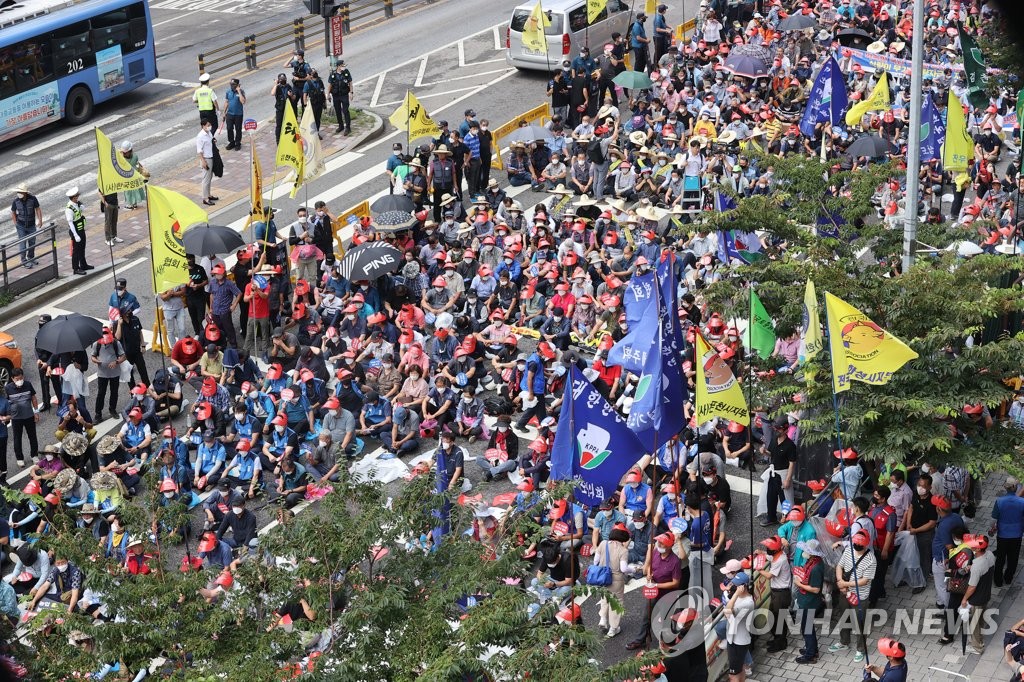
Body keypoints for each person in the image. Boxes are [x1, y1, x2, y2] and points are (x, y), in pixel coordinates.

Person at [829, 530, 876, 663]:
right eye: (855, 543)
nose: (856, 545)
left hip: (860, 597)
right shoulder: (848, 550)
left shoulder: (871, 559)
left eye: (859, 544)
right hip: (845, 592)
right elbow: (840, 566)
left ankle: (861, 649)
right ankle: (844, 642)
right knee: (844, 617)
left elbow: (865, 581)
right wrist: (840, 582)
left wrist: (845, 583)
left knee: (860, 623)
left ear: (866, 545)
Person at [793, 539, 826, 664]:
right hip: (805, 600)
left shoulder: (816, 568)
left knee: (807, 629)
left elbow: (816, 589)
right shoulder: (812, 561)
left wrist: (798, 583)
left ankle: (810, 655)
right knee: (806, 627)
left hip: (810, 602)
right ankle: (812, 649)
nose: (805, 552)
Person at [990, 476, 1024, 587]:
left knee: (1000, 558)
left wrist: (993, 528)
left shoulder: (999, 501)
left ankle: (998, 580)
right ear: (1015, 488)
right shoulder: (1022, 502)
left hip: (1002, 535)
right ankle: (1008, 578)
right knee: (1013, 558)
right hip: (1017, 534)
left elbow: (993, 520)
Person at [723, 571, 755, 682]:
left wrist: (735, 595)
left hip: (737, 642)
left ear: (743, 587)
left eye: (736, 585)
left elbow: (727, 611)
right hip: (736, 639)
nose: (734, 587)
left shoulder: (748, 603)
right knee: (740, 669)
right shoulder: (740, 598)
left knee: (733, 675)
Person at [6, 368, 38, 467]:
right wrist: (8, 414)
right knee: (17, 438)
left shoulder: (28, 384)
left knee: (32, 436)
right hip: (16, 418)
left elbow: (33, 398)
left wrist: (36, 412)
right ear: (12, 378)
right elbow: (6, 403)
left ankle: (34, 455)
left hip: (29, 416)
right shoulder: (8, 388)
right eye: (17, 379)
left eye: (21, 378)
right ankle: (19, 458)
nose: (20, 381)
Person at [208, 263, 241, 348]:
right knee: (218, 330)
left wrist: (234, 305)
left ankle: (234, 346)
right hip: (215, 311)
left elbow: (239, 294)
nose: (218, 275)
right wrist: (211, 308)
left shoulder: (229, 283)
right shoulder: (212, 283)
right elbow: (211, 294)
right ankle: (222, 346)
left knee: (229, 328)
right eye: (216, 274)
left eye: (219, 273)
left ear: (223, 273)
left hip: (225, 311)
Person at [10, 183, 41, 268]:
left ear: (25, 193)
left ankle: (31, 257)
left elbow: (37, 209)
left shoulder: (33, 199)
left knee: (32, 242)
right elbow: (13, 212)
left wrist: (40, 220)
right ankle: (24, 261)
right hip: (20, 226)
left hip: (31, 226)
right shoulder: (15, 201)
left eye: (21, 192)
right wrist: (15, 223)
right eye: (18, 191)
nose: (19, 193)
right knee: (22, 243)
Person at [64, 186, 93, 275]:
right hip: (75, 231)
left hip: (81, 229)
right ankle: (76, 268)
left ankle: (83, 265)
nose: (78, 197)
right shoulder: (69, 208)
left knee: (82, 248)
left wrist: (80, 205)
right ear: (73, 197)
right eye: (77, 196)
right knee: (76, 251)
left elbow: (82, 210)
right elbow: (70, 223)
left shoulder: (77, 204)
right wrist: (75, 235)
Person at [119, 140, 147, 209]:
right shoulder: (135, 156)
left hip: (127, 177)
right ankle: (135, 204)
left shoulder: (122, 159)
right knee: (135, 189)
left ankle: (130, 204)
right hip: (135, 175)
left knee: (128, 191)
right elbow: (137, 164)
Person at [327, 59, 353, 135]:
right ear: (338, 66)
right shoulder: (333, 74)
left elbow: (350, 82)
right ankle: (340, 126)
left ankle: (348, 127)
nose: (343, 67)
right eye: (342, 66)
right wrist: (328, 94)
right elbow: (330, 85)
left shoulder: (346, 72)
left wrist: (351, 92)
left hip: (344, 95)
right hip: (336, 96)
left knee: (345, 111)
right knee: (338, 111)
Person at [196, 119, 217, 206]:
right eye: (207, 125)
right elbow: (199, 151)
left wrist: (214, 141)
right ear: (203, 126)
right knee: (206, 179)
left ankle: (208, 195)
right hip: (206, 159)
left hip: (211, 157)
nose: (209, 126)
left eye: (210, 125)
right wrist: (203, 162)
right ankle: (205, 198)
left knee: (209, 177)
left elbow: (211, 140)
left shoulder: (209, 133)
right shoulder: (200, 136)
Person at [222, 78, 246, 151]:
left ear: (238, 85)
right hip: (230, 113)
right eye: (231, 84)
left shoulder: (241, 92)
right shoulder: (228, 92)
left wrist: (238, 91)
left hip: (238, 114)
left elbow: (243, 102)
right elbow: (226, 102)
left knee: (238, 129)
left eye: (234, 85)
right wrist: (224, 112)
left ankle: (238, 143)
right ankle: (231, 142)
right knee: (229, 128)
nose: (232, 86)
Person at [272, 73, 296, 141]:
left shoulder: (289, 86)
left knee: (290, 124)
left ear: (286, 79)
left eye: (284, 79)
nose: (283, 80)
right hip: (280, 109)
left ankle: (289, 138)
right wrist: (276, 84)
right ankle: (278, 139)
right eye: (281, 79)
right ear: (279, 80)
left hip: (288, 109)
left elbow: (294, 98)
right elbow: (272, 93)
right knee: (279, 125)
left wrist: (291, 95)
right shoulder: (277, 87)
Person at [303, 67, 327, 135]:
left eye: (315, 72)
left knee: (318, 119)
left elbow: (323, 92)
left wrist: (325, 102)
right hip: (313, 104)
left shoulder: (320, 81)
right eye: (313, 73)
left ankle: (317, 133)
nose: (315, 73)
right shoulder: (307, 83)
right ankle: (311, 134)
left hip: (320, 103)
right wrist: (305, 105)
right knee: (312, 119)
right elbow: (304, 95)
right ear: (310, 75)